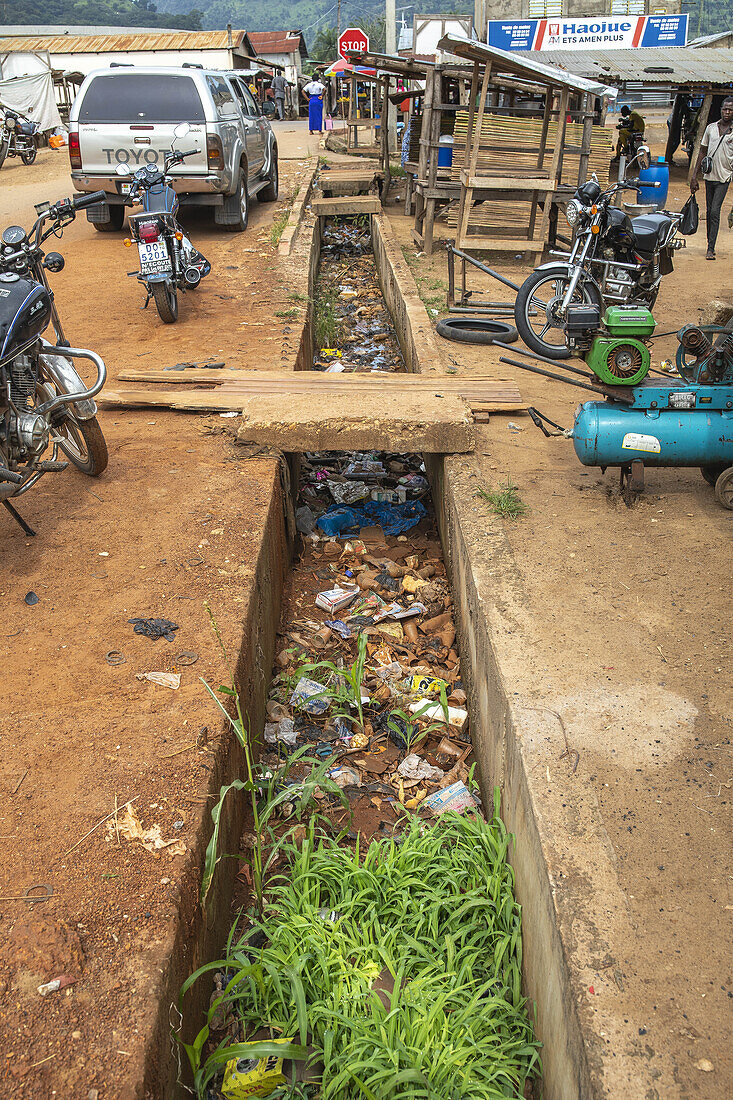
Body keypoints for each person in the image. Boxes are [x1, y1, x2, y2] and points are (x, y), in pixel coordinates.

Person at [691, 96, 733, 260]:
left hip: (725, 176)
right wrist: (694, 176)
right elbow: (702, 151)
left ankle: (710, 248)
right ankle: (710, 243)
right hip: (709, 176)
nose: (727, 112)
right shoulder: (710, 128)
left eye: (730, 109)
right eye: (725, 109)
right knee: (709, 211)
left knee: (715, 210)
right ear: (721, 109)